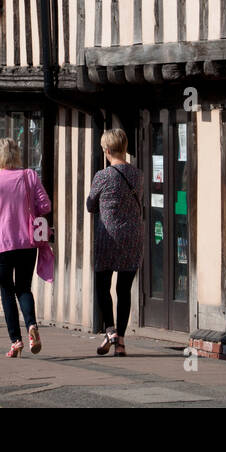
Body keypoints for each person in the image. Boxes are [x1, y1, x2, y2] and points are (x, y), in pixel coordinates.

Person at [0, 137, 54, 357]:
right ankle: (31, 326)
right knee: (24, 288)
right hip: (27, 242)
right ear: (17, 155)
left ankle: (16, 341)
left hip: (1, 244)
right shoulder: (29, 176)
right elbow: (45, 205)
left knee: (7, 291)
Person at [86, 128, 142, 356]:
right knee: (124, 290)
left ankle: (110, 330)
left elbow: (90, 206)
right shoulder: (138, 175)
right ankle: (120, 343)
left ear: (107, 150)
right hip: (132, 236)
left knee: (102, 285)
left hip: (107, 237)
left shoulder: (103, 176)